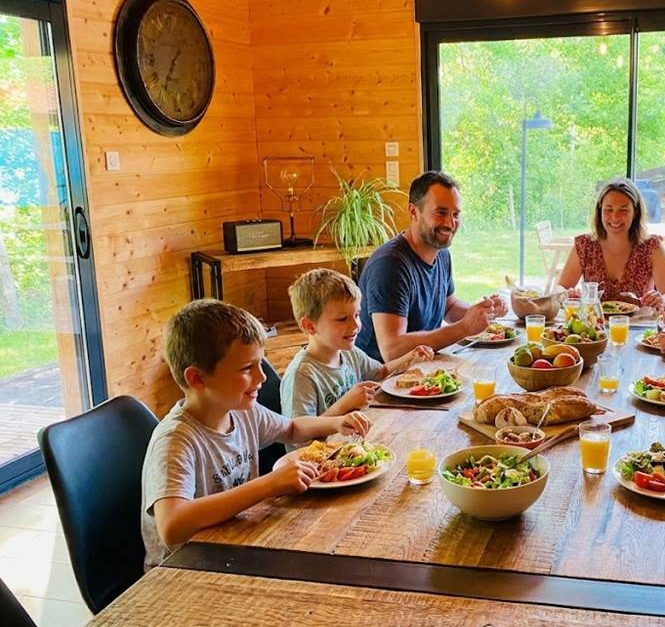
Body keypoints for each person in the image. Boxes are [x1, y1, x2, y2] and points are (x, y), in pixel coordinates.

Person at [141, 299, 371, 571]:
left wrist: (336, 423)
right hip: (184, 572)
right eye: (246, 368)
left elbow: (292, 428)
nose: (262, 377)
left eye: (260, 364)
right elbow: (172, 526)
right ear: (198, 379)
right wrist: (269, 484)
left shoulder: (241, 410)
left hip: (237, 545)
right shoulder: (175, 441)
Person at [356, 171, 506, 362]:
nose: (451, 223)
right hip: (381, 382)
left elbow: (449, 307)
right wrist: (464, 328)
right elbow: (391, 350)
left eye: (456, 214)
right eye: (441, 212)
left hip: (424, 370)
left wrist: (483, 313)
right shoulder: (390, 265)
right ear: (413, 212)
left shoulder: (441, 253)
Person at [282, 268, 433, 444]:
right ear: (309, 326)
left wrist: (411, 357)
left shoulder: (349, 352)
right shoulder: (302, 374)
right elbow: (298, 437)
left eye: (357, 315)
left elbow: (381, 372)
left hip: (353, 445)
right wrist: (345, 404)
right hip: (314, 465)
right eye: (342, 319)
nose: (356, 325)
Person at [557, 180, 665, 308]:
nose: (615, 217)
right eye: (608, 210)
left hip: (639, 325)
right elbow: (559, 288)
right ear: (600, 212)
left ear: (635, 212)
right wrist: (566, 294)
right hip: (594, 325)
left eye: (623, 210)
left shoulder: (651, 247)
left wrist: (662, 300)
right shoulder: (584, 245)